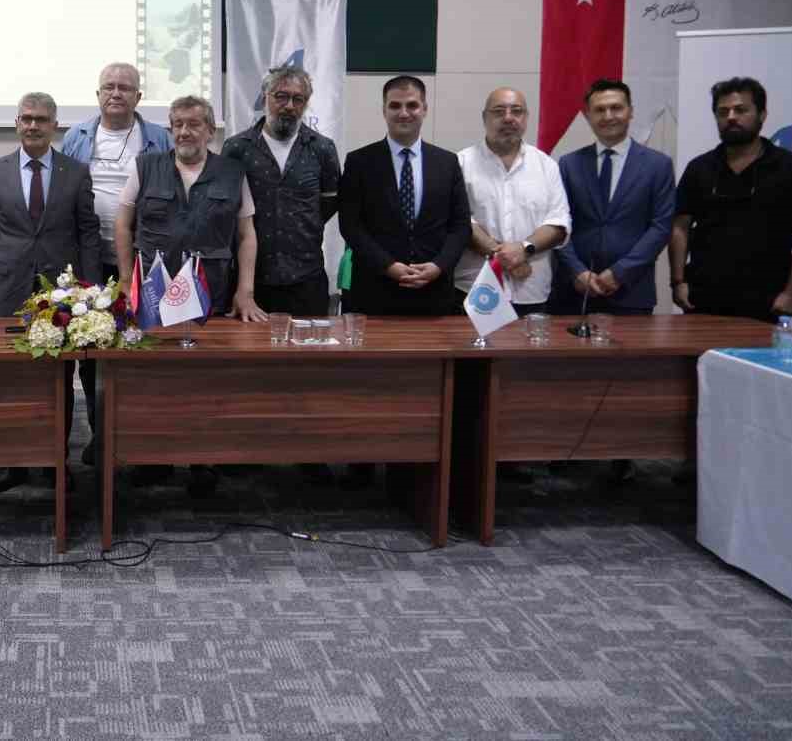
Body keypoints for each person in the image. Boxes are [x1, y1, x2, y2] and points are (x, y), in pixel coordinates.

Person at [115, 94, 261, 498]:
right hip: (154, 293)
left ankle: (204, 460)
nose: (184, 131)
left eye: (194, 124)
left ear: (210, 130)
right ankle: (154, 459)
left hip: (209, 297)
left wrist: (245, 292)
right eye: (177, 123)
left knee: (207, 383)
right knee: (153, 383)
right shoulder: (146, 166)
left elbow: (247, 234)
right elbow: (123, 225)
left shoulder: (232, 172)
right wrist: (127, 282)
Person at [0, 91, 101, 494]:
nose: (33, 125)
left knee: (57, 378)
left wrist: (91, 294)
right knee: (11, 381)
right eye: (26, 118)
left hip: (62, 296)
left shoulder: (76, 172)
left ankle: (54, 463)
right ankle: (15, 464)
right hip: (6, 291)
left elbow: (88, 235)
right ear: (16, 123)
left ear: (55, 125)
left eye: (41, 119)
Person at [221, 64, 341, 486]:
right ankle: (245, 449)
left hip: (306, 275)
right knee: (247, 371)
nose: (288, 106)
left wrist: (296, 232)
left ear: (306, 104)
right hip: (251, 279)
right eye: (281, 97)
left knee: (306, 370)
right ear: (265, 97)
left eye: (297, 99)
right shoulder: (236, 148)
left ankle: (307, 450)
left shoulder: (322, 148)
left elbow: (328, 203)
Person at [59, 62, 170, 465]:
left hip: (142, 263)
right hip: (89, 263)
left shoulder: (158, 138)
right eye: (109, 86)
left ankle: (141, 441)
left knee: (143, 354)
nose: (116, 93)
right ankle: (99, 436)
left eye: (125, 87)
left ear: (138, 97)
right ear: (98, 94)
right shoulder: (77, 136)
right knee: (91, 354)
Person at [670, 76, 792, 323]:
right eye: (723, 112)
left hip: (767, 300)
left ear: (762, 114)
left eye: (741, 110)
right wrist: (678, 282)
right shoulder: (699, 168)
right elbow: (679, 227)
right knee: (698, 363)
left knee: (759, 362)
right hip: (703, 297)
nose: (731, 117)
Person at [337, 76, 470, 317]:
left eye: (412, 105)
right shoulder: (359, 162)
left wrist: (438, 266)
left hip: (434, 292)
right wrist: (389, 266)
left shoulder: (448, 163)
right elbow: (350, 226)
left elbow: (460, 226)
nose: (404, 113)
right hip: (374, 291)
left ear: (425, 109)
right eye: (395, 106)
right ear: (384, 110)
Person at [552, 79, 675, 316]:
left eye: (616, 108)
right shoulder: (569, 164)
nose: (608, 116)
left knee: (630, 354)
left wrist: (619, 273)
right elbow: (558, 224)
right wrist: (577, 271)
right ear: (587, 115)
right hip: (574, 291)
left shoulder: (658, 165)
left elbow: (661, 227)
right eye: (599, 110)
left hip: (632, 291)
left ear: (630, 112)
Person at [455, 88, 569, 317]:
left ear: (525, 118)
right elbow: (458, 220)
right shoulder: (460, 163)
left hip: (531, 290)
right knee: (474, 353)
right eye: (499, 111)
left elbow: (558, 224)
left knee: (527, 352)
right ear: (484, 118)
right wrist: (507, 257)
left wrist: (523, 249)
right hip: (474, 288)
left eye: (516, 111)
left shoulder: (546, 166)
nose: (508, 117)